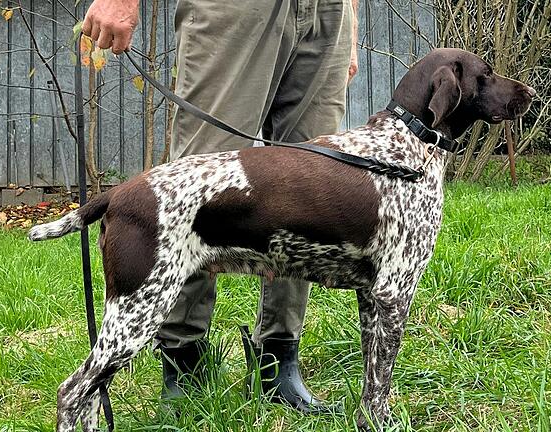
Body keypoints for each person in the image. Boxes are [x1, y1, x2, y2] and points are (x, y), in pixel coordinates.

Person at [82, 0, 358, 413]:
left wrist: (348, 20)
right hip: (236, 10)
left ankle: (278, 362)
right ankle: (183, 362)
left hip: (328, 11)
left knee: (309, 189)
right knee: (199, 183)